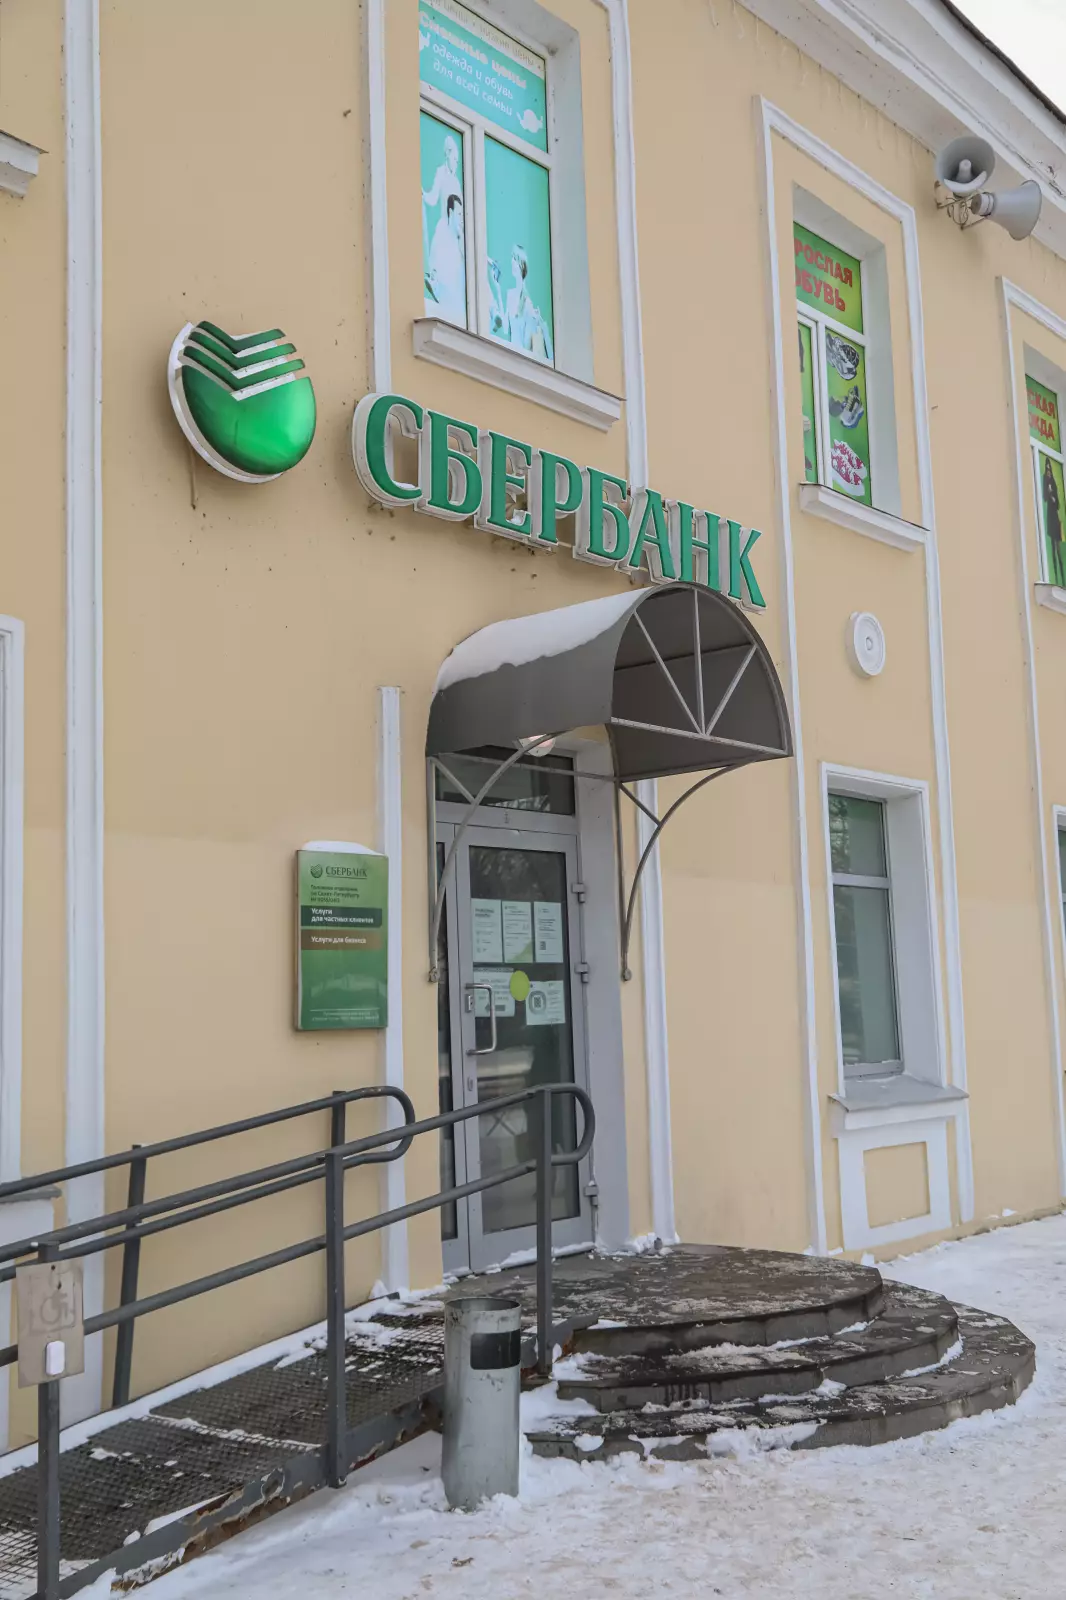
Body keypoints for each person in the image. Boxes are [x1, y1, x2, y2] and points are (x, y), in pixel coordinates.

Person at [487, 245, 554, 363]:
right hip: (511, 358)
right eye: (512, 258)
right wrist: (498, 289)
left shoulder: (527, 304)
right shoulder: (510, 295)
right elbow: (505, 329)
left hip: (520, 362)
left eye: (515, 258)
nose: (512, 261)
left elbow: (527, 348)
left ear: (521, 265)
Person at [425, 191, 466, 326]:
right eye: (459, 214)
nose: (462, 219)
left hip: (459, 314)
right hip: (447, 310)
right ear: (451, 212)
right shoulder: (442, 236)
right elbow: (434, 263)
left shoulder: (460, 244)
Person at [1043, 454, 1066, 587]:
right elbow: (1044, 498)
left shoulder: (1054, 484)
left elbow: (1057, 505)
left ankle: (1062, 580)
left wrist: (1053, 498)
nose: (1048, 472)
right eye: (1047, 470)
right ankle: (1055, 578)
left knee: (1057, 548)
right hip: (1049, 516)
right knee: (1052, 547)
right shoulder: (1046, 482)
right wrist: (1048, 492)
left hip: (1055, 517)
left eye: (1049, 470)